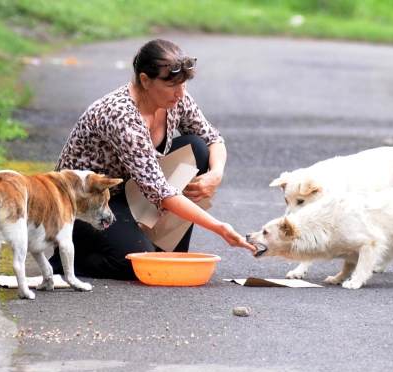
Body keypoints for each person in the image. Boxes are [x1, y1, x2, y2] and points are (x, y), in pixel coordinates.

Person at [49, 38, 256, 280]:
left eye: (184, 84)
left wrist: (216, 173)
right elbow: (161, 192)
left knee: (197, 148)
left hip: (133, 193)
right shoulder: (120, 115)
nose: (180, 93)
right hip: (84, 204)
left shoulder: (175, 99)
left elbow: (213, 139)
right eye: (171, 85)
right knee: (137, 264)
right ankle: (65, 259)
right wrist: (219, 227)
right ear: (145, 80)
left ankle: (166, 246)